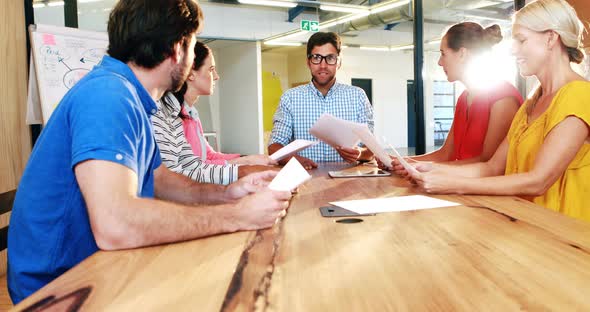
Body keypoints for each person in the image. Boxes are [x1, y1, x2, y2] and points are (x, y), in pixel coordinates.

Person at [7, 0, 291, 303]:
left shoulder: (130, 95)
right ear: (176, 48)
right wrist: (237, 216)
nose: (192, 56)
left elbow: (158, 178)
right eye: (193, 47)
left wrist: (229, 193)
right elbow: (116, 225)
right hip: (59, 288)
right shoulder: (109, 96)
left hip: (92, 267)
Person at [399, 0, 590, 222]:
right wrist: (429, 169)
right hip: (527, 226)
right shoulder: (532, 102)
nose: (512, 49)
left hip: (567, 238)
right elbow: (492, 167)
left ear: (551, 38)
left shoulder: (579, 95)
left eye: (521, 40)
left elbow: (539, 180)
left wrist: (455, 184)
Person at [152, 42, 276, 185]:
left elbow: (197, 163)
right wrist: (244, 168)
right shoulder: (163, 112)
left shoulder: (184, 112)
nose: (216, 76)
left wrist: (247, 162)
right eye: (211, 69)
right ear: (190, 73)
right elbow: (174, 178)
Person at [410, 22, 523, 164]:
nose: (439, 62)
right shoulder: (464, 99)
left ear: (462, 54)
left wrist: (427, 170)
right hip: (462, 183)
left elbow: (488, 163)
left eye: (443, 54)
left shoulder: (503, 98)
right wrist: (397, 161)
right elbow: (445, 154)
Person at [268, 32, 375, 169]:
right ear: (308, 62)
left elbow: (371, 150)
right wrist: (293, 159)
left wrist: (359, 154)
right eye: (317, 58)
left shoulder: (358, 96)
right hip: (304, 179)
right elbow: (274, 146)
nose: (323, 65)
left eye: (330, 58)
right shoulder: (290, 98)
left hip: (347, 181)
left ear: (339, 62)